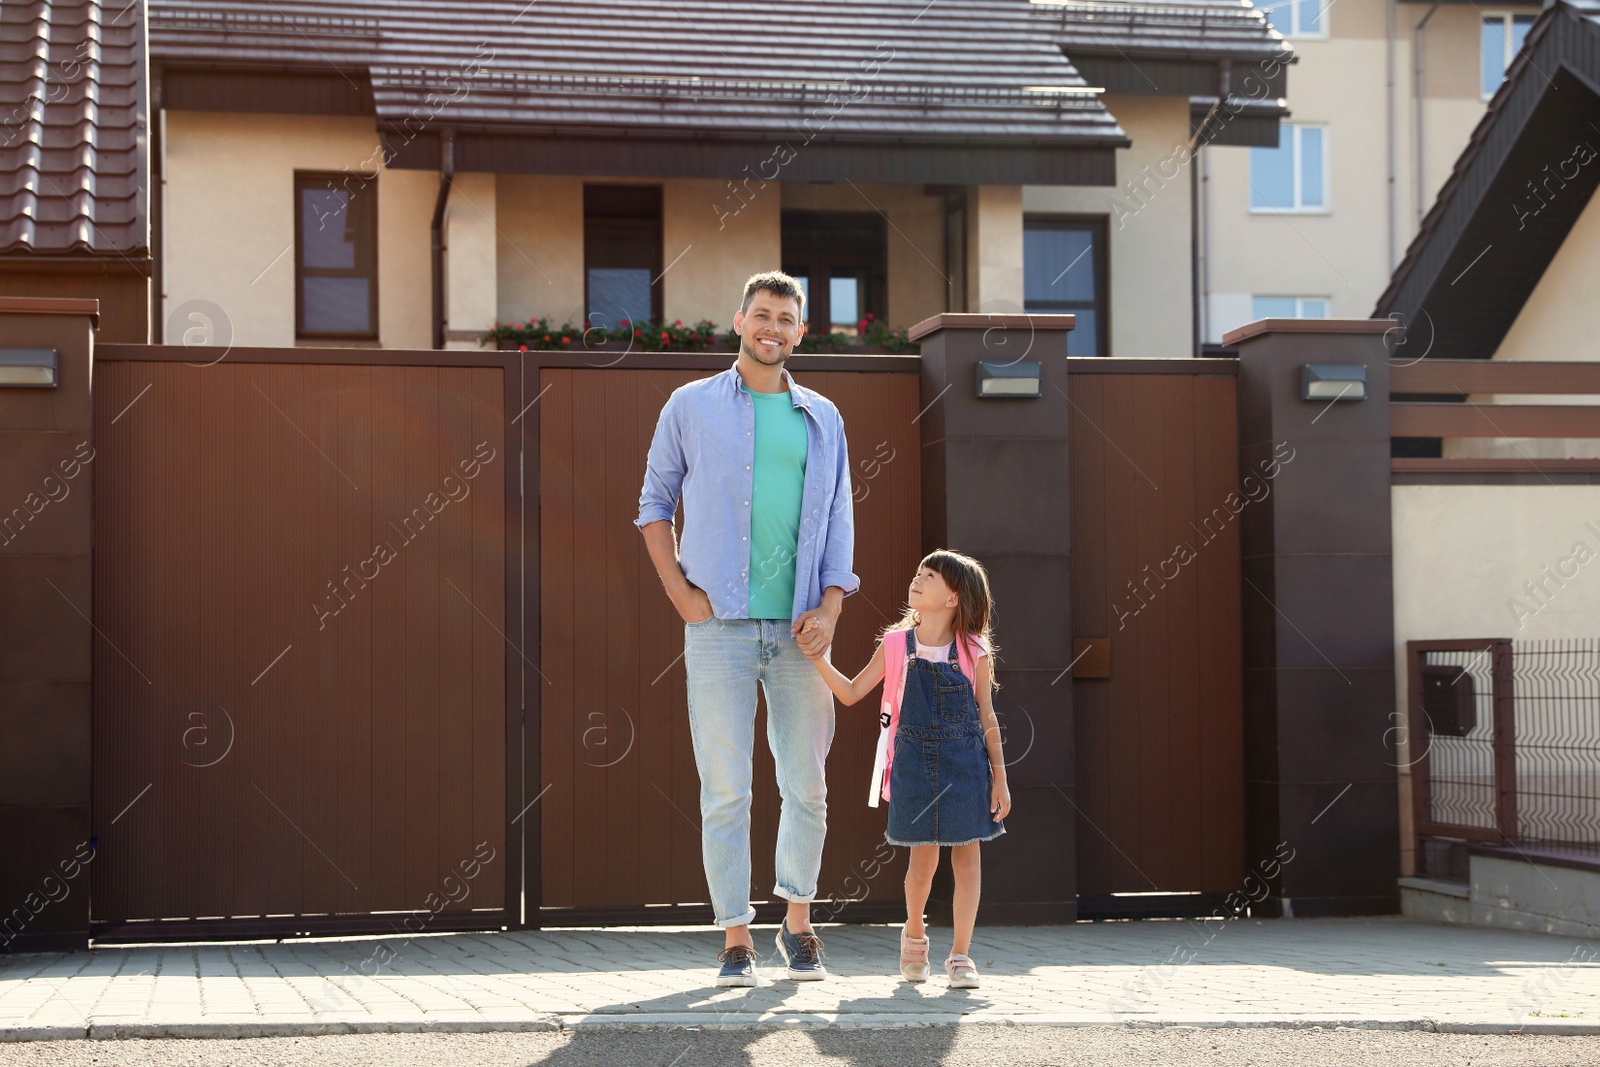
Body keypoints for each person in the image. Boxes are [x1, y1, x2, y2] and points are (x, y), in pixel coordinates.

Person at [636, 271, 859, 988]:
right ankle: (736, 937)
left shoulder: (823, 416)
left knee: (807, 785)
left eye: (786, 318)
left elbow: (840, 526)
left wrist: (830, 608)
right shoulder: (691, 405)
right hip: (719, 630)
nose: (773, 326)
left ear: (800, 331)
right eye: (761, 314)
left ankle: (797, 921)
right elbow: (652, 503)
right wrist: (680, 594)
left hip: (800, 633)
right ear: (739, 320)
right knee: (728, 788)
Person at [805, 549, 1011, 989]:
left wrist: (1001, 778)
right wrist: (817, 657)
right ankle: (914, 935)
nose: (917, 578)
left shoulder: (974, 650)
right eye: (918, 571)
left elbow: (987, 716)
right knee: (922, 863)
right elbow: (852, 692)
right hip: (914, 764)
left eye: (930, 575)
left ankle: (960, 955)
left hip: (966, 766)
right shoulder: (897, 644)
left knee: (968, 858)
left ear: (954, 598)